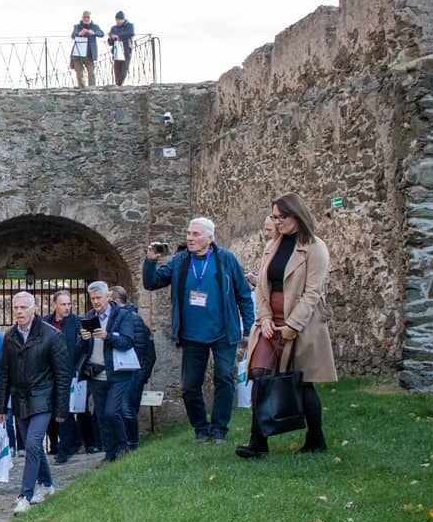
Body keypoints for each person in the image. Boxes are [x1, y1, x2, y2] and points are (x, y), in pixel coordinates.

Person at [237, 194, 337, 458]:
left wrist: (293, 325)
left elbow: (313, 292)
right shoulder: (273, 245)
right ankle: (258, 442)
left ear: (297, 215)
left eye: (282, 217)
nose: (277, 222)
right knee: (259, 374)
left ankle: (316, 439)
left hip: (301, 321)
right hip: (270, 320)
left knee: (302, 382)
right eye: (275, 217)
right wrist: (265, 317)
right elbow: (262, 286)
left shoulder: (315, 247)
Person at [143, 217, 255, 444]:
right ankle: (201, 429)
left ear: (210, 238)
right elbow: (151, 283)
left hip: (223, 331)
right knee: (190, 386)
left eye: (195, 234)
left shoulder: (226, 259)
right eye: (188, 233)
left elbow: (243, 294)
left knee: (224, 378)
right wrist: (150, 261)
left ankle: (219, 429)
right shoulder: (180, 261)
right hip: (192, 335)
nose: (190, 238)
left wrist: (248, 328)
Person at [0, 291, 70, 515]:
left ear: (33, 308)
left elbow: (63, 374)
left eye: (23, 307)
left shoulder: (51, 335)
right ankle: (46, 485)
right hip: (19, 400)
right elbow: (4, 374)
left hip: (43, 397)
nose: (19, 312)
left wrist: (61, 408)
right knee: (34, 446)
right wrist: (1, 407)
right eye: (16, 308)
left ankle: (25, 495)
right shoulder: (10, 337)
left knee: (31, 444)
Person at [77, 281, 137, 462]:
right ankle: (109, 454)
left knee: (112, 411)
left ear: (107, 297)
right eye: (92, 298)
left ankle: (123, 445)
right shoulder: (88, 317)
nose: (96, 302)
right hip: (96, 372)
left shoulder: (122, 315)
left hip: (118, 372)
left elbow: (127, 342)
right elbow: (81, 348)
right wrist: (83, 339)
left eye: (98, 298)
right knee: (101, 416)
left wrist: (107, 336)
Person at [108, 286, 153, 449]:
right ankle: (122, 443)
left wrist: (140, 374)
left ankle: (132, 443)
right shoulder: (120, 317)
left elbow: (140, 348)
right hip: (123, 371)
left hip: (132, 371)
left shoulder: (131, 318)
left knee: (127, 409)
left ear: (115, 301)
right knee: (119, 409)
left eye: (108, 300)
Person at [45, 290, 82, 463]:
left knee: (65, 410)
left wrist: (77, 368)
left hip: (68, 373)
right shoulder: (45, 323)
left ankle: (64, 449)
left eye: (69, 304)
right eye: (63, 304)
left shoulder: (77, 322)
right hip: (48, 374)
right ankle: (57, 444)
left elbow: (83, 348)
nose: (67, 307)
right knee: (50, 410)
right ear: (55, 305)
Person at [70, 11, 104, 87]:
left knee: (91, 73)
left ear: (90, 18)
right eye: (84, 17)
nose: (86, 19)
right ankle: (81, 90)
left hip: (89, 54)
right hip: (78, 54)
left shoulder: (95, 26)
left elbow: (102, 33)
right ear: (82, 18)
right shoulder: (77, 26)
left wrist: (92, 32)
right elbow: (72, 35)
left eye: (88, 17)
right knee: (79, 74)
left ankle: (92, 89)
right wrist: (79, 33)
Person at [247, 216, 278, 288]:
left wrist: (258, 281)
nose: (265, 233)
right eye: (265, 229)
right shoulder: (268, 248)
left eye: (269, 230)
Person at [107, 11, 135, 86]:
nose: (118, 21)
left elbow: (131, 33)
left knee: (124, 70)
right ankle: (118, 85)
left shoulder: (129, 26)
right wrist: (111, 38)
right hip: (116, 52)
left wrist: (118, 36)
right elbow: (110, 43)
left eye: (120, 19)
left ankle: (119, 85)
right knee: (117, 71)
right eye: (117, 19)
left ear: (123, 19)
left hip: (126, 51)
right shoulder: (113, 28)